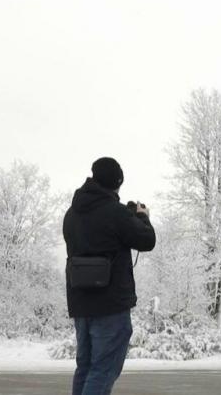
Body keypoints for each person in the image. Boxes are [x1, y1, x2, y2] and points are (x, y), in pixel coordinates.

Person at [63, 157, 155, 395]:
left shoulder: (72, 214)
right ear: (117, 183)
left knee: (85, 367)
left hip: (81, 304)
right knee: (104, 369)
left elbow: (96, 235)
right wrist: (142, 216)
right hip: (110, 305)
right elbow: (146, 240)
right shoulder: (116, 213)